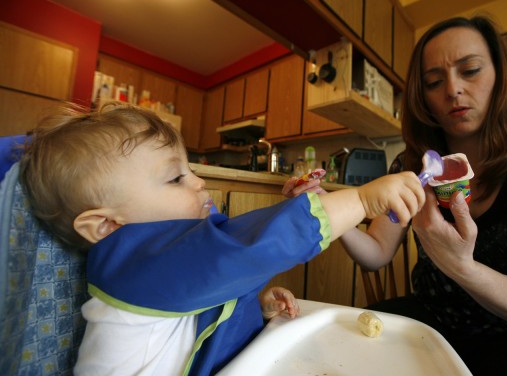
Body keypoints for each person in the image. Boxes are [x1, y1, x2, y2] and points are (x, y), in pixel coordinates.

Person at [284, 15, 507, 375]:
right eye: (434, 81)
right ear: (424, 97)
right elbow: (375, 254)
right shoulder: (412, 164)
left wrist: (460, 265)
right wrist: (326, 207)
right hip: (432, 324)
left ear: (500, 77)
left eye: (471, 70)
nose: (452, 89)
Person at [18, 102, 425, 376]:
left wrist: (255, 309)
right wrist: (361, 198)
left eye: (191, 170)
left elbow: (198, 306)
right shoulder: (130, 261)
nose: (198, 182)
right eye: (176, 177)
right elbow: (248, 248)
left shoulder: (159, 272)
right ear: (106, 226)